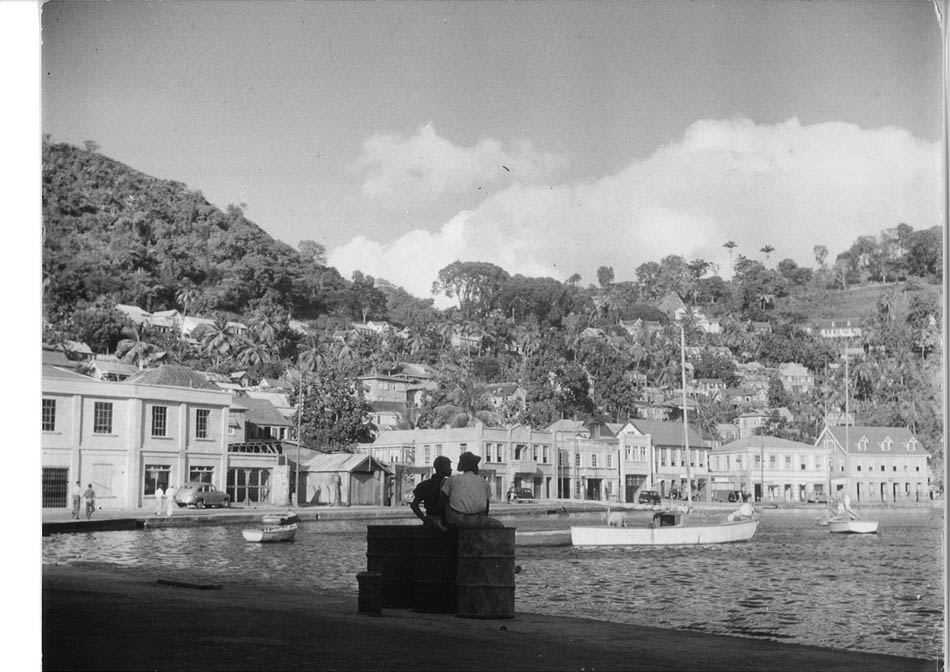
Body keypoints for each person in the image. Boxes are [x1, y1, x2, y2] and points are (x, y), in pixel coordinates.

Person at [439, 452, 502, 529]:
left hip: (456, 520)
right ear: (474, 467)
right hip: (478, 521)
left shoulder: (452, 480)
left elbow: (441, 503)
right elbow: (486, 507)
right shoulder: (483, 482)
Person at [410, 456, 452, 530]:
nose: (451, 469)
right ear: (443, 468)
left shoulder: (424, 485)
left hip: (430, 522)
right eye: (448, 466)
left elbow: (414, 505)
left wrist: (424, 519)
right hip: (447, 524)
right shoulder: (450, 484)